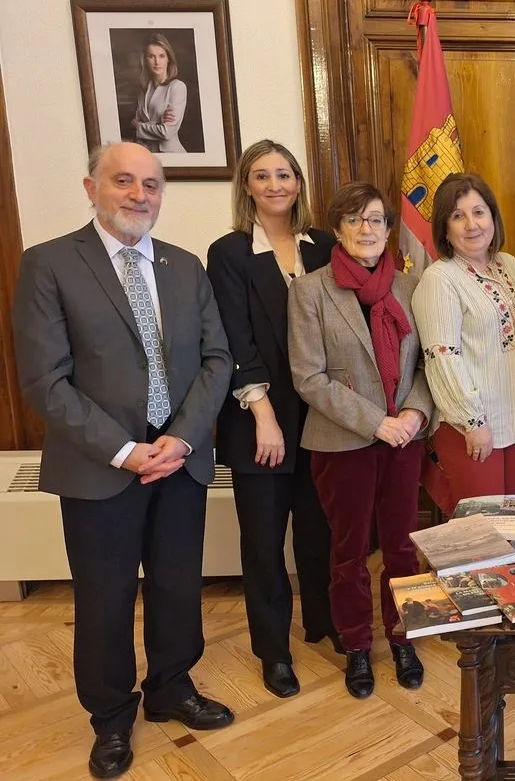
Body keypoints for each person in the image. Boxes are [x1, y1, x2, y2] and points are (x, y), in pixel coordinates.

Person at [12, 142, 234, 779]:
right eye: (124, 181)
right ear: (91, 188)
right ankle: (110, 717)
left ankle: (171, 687)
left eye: (152, 184)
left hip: (179, 460)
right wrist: (123, 450)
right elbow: (45, 380)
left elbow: (217, 359)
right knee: (105, 599)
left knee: (177, 585)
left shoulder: (186, 266)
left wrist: (183, 438)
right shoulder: (50, 264)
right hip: (99, 466)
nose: (140, 195)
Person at [288, 181, 433, 699]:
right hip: (341, 442)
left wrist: (414, 412)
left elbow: (427, 365)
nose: (366, 229)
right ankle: (355, 645)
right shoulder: (310, 291)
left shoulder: (411, 288)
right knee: (347, 552)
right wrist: (377, 422)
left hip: (405, 440)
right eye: (354, 219)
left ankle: (403, 637)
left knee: (402, 547)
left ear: (389, 229)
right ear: (338, 229)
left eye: (375, 219)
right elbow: (308, 378)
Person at [206, 140, 339, 700]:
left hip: (322, 418)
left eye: (284, 174)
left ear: (299, 182)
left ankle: (324, 622)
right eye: (262, 176)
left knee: (319, 530)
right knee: (263, 544)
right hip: (258, 419)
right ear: (247, 187)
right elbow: (233, 336)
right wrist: (263, 414)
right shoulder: (229, 252)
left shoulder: (325, 245)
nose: (275, 185)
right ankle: (274, 652)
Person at [411, 173, 515, 508]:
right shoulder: (440, 279)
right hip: (470, 427)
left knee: (506, 523)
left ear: (493, 217)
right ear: (445, 228)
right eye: (458, 216)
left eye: (479, 212)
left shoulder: (509, 266)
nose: (471, 225)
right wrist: (472, 421)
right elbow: (443, 358)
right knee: (482, 530)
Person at [132, 33, 187, 153]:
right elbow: (134, 126)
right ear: (145, 60)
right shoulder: (144, 89)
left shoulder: (177, 87)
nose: (157, 62)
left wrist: (139, 127)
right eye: (151, 56)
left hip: (171, 155)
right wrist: (157, 123)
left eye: (162, 56)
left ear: (168, 59)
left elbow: (167, 132)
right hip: (147, 154)